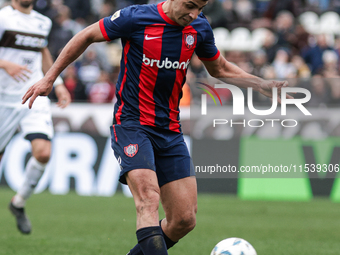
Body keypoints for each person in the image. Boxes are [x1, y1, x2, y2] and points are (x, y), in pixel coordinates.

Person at [22, 0, 290, 253]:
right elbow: (86, 35)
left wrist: (260, 85)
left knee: (184, 219)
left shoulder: (199, 27)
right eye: (189, 5)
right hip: (132, 124)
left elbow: (219, 67)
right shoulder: (136, 17)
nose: (194, 14)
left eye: (200, 7)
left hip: (170, 130)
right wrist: (50, 78)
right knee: (148, 198)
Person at [0, 0, 71, 234]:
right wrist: (5, 63)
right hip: (3, 98)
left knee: (43, 152)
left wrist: (57, 83)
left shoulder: (43, 22)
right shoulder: (3, 18)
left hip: (33, 93)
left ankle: (18, 203)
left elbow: (43, 53)